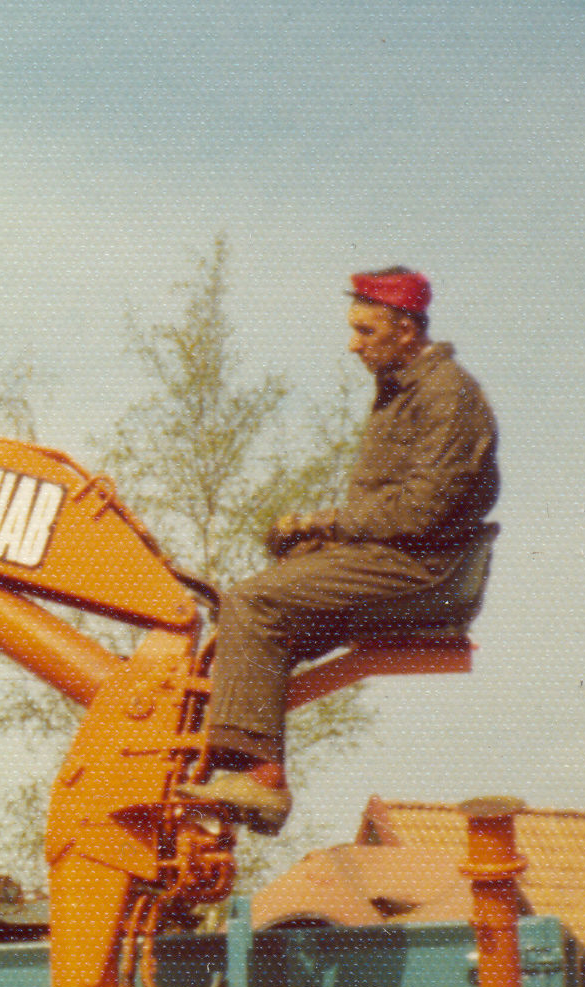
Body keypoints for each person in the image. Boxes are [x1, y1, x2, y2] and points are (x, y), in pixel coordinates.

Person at [183, 267, 499, 833]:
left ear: (405, 329)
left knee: (254, 604)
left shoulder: (446, 396)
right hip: (403, 556)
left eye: (365, 331)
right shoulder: (405, 390)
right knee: (248, 614)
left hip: (424, 567)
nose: (352, 344)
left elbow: (417, 511)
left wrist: (323, 521)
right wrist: (322, 540)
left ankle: (259, 780)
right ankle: (224, 765)